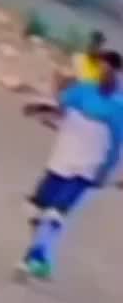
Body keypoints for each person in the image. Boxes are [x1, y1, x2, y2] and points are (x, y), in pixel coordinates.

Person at [17, 51, 123, 281]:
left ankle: (28, 260)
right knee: (35, 211)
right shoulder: (82, 91)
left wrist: (106, 172)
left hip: (87, 170)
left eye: (109, 69)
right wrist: (39, 110)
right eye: (102, 67)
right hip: (60, 161)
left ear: (118, 73)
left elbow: (116, 145)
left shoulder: (119, 107)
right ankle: (41, 257)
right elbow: (59, 108)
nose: (105, 73)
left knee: (56, 214)